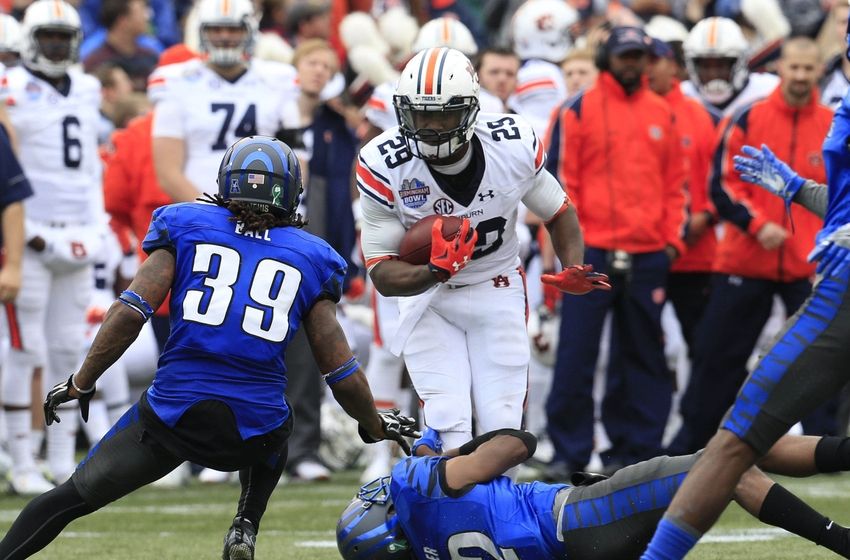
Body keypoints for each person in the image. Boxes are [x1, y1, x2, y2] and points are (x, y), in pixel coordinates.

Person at [0, 136, 419, 560]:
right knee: (278, 414)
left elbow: (130, 312)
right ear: (292, 192)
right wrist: (373, 422)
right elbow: (339, 369)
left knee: (70, 497)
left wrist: (81, 381)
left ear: (225, 181)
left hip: (170, 417)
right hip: (253, 433)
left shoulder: (184, 223)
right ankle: (246, 522)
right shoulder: (313, 255)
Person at [640, 16, 850, 560]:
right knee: (741, 442)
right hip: (806, 278)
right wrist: (798, 189)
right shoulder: (795, 113)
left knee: (733, 445)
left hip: (840, 292)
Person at [358, 46, 609, 456]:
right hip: (429, 299)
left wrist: (574, 263)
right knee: (447, 421)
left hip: (496, 284)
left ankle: (498, 513)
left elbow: (558, 210)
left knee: (503, 425)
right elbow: (383, 274)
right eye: (421, 114)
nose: (431, 126)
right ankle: (448, 514)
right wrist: (434, 271)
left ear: (471, 110)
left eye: (443, 114)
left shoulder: (511, 145)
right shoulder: (384, 162)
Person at [668, 36, 834, 456]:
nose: (799, 76)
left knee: (824, 362)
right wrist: (757, 225)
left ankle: (826, 447)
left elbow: (841, 195)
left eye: (807, 69)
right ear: (781, 68)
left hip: (808, 264)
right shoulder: (749, 118)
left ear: (818, 71)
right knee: (715, 358)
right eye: (793, 67)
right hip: (744, 261)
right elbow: (720, 185)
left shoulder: (834, 125)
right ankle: (693, 444)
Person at [338, 428, 850, 559]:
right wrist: (447, 458)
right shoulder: (411, 487)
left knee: (737, 451)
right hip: (577, 518)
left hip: (579, 544)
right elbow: (518, 446)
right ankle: (841, 540)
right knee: (730, 456)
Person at [544, 26, 687, 478]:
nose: (630, 63)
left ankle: (637, 451)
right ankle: (569, 451)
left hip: (647, 253)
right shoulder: (577, 110)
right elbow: (561, 185)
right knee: (577, 352)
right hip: (593, 251)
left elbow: (676, 187)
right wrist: (571, 252)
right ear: (607, 56)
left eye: (637, 56)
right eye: (623, 55)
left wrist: (670, 244)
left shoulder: (663, 112)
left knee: (644, 354)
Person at [1, 0, 106, 494]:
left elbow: (88, 169)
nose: (57, 46)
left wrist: (96, 224)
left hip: (80, 229)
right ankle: (22, 458)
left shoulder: (87, 87)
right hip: (33, 228)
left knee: (68, 346)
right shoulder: (11, 88)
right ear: (29, 40)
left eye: (64, 38)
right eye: (48, 37)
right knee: (25, 350)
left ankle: (62, 459)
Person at [150, 0, 297, 203]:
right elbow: (168, 173)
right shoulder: (176, 81)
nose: (225, 36)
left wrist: (274, 208)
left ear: (250, 31)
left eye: (233, 29)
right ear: (202, 32)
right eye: (216, 29)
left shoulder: (278, 79)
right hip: (198, 214)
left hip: (265, 212)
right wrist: (213, 213)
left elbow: (296, 158)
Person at [682, 17, 779, 123]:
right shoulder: (683, 94)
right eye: (706, 66)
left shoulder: (768, 90)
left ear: (740, 63)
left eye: (721, 66)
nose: (713, 74)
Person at [509, 0, 578, 138]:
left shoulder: (534, 69)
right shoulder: (541, 73)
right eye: (568, 33)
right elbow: (545, 133)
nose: (575, 38)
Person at [81, 0, 159, 92]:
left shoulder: (151, 57)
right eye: (142, 11)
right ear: (123, 20)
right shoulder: (95, 63)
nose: (147, 17)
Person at [474, 47, 520, 113]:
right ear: (477, 75)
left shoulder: (526, 120)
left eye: (510, 74)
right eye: (494, 72)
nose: (502, 79)